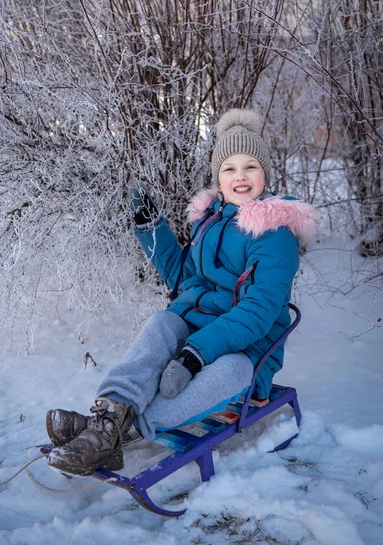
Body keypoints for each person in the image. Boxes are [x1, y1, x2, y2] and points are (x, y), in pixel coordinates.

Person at [47, 109, 316, 477]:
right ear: (218, 179)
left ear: (265, 173)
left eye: (250, 166)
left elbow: (258, 311)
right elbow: (182, 278)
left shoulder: (274, 235)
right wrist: (150, 228)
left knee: (229, 368)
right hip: (194, 330)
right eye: (229, 168)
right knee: (161, 323)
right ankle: (108, 416)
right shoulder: (211, 222)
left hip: (247, 354)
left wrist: (195, 354)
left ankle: (123, 432)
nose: (240, 177)